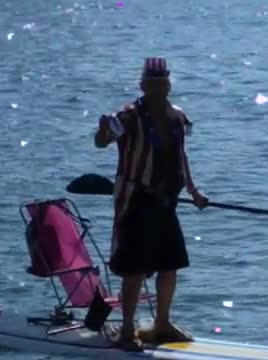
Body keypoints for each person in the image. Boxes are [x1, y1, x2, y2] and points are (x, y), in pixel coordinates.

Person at [94, 57, 209, 351]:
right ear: (143, 85)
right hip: (136, 200)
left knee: (170, 265)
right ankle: (128, 330)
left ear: (169, 85)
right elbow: (102, 142)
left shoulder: (177, 118)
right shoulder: (129, 116)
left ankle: (162, 323)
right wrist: (103, 130)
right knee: (134, 269)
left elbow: (182, 156)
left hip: (166, 201)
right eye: (153, 83)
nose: (159, 88)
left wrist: (194, 191)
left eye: (163, 83)